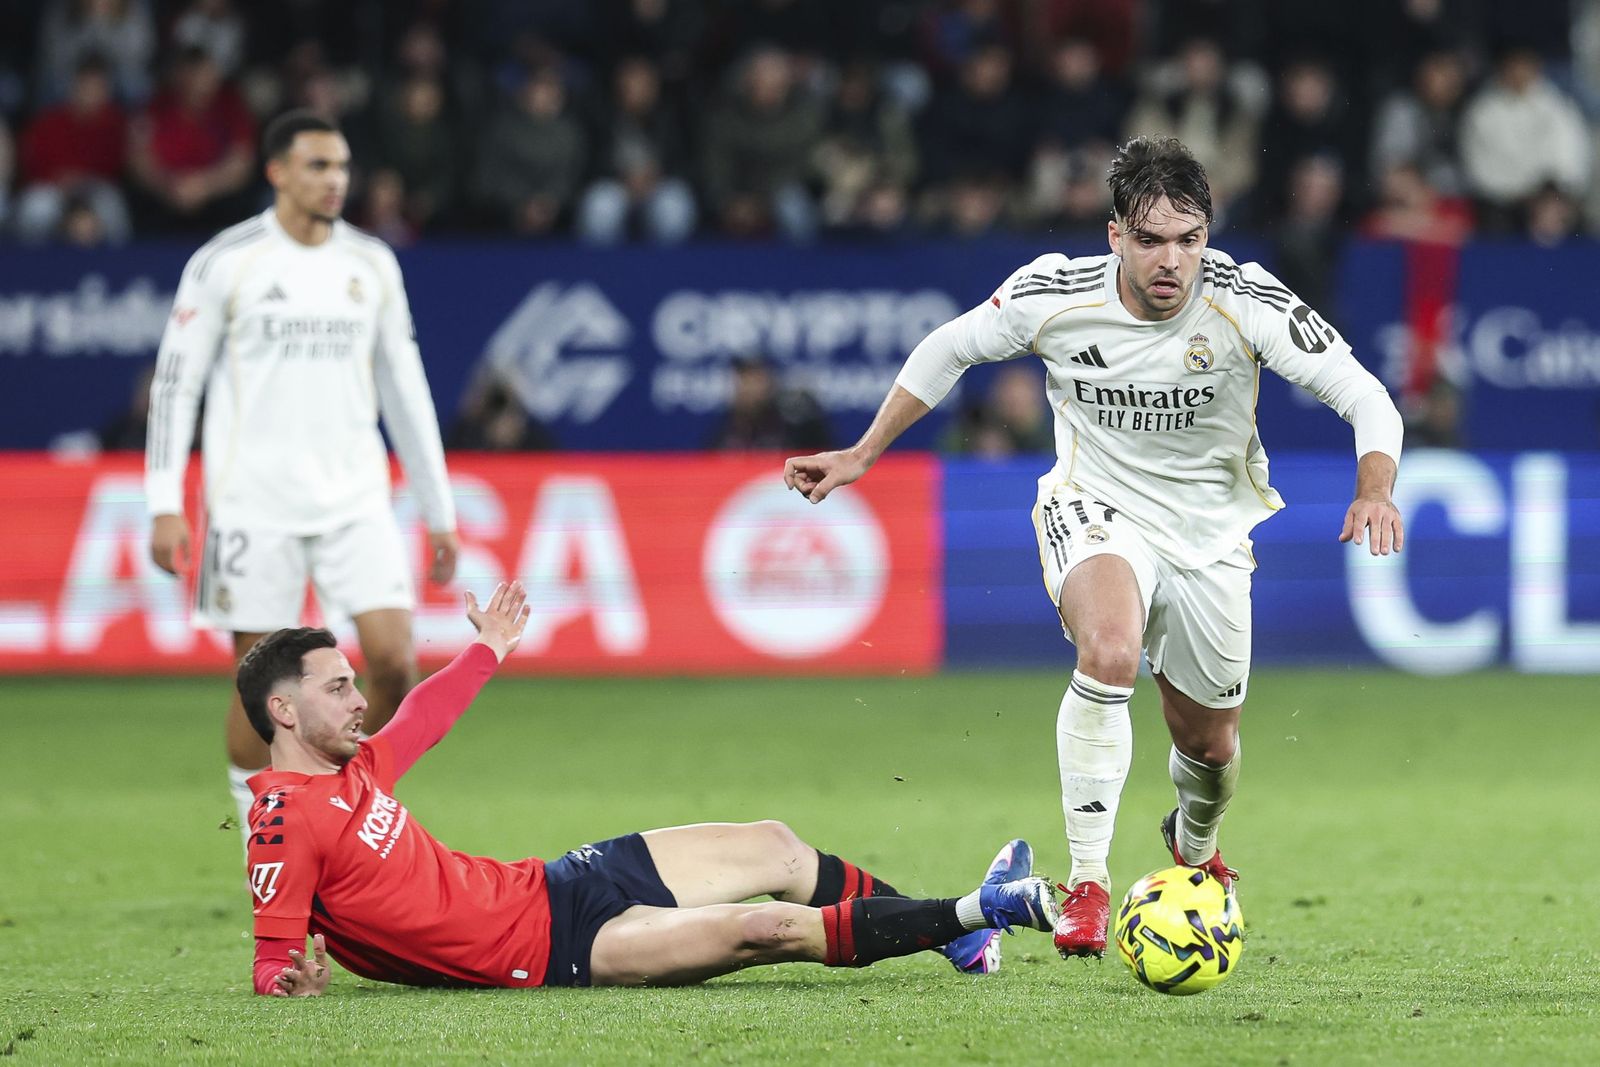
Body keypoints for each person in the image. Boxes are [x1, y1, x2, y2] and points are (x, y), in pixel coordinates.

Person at [783, 136, 1405, 960]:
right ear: (1115, 235)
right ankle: (1087, 882)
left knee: (1210, 747)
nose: (1171, 260)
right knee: (1109, 650)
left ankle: (1194, 844)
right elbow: (950, 346)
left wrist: (1375, 487)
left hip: (1211, 536)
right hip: (1094, 505)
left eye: (1189, 239)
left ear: (1208, 237)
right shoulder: (1055, 293)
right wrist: (863, 452)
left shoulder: (1245, 298)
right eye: (1150, 239)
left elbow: (1365, 394)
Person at [243, 582, 1060, 995]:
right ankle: (978, 911)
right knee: (767, 928)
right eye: (338, 688)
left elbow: (424, 716)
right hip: (561, 952)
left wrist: (489, 647)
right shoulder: (283, 819)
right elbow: (272, 959)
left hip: (556, 883)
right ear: (283, 710)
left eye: (354, 683)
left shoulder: (356, 767)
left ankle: (955, 941)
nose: (359, 700)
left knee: (774, 845)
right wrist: (292, 983)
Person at [144, 109, 459, 848]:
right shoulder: (228, 261)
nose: (334, 180)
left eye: (342, 165)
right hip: (254, 502)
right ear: (277, 172)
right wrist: (164, 500)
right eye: (318, 165)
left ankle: (353, 818)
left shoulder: (371, 264)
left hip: (355, 498)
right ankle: (261, 836)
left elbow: (405, 390)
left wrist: (438, 508)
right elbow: (176, 382)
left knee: (394, 659)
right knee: (262, 684)